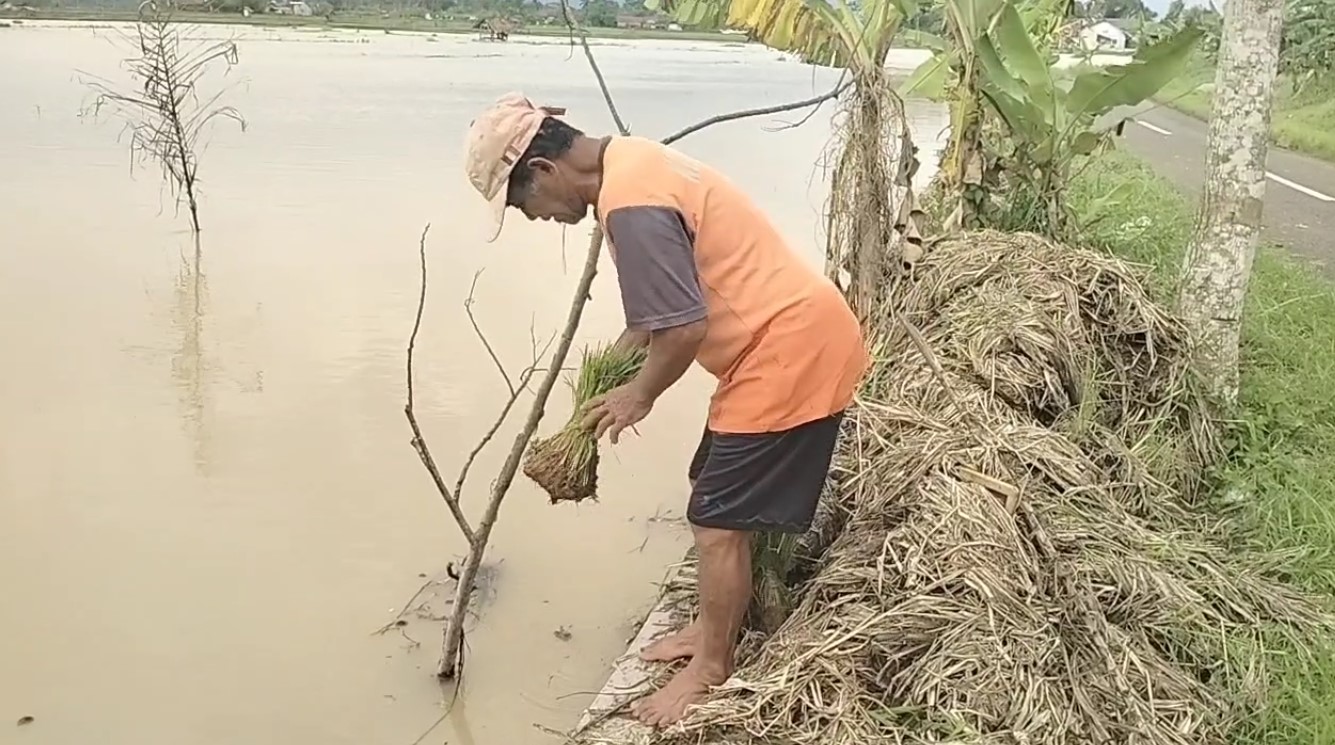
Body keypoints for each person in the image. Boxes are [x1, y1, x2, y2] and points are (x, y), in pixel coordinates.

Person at [463, 92, 868, 727]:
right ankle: (711, 628)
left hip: (787, 352)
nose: (532, 219)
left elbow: (680, 329)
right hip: (780, 343)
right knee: (708, 485)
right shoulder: (634, 163)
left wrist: (640, 394)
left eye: (521, 205)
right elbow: (653, 321)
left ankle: (711, 666)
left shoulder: (632, 205)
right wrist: (609, 376)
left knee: (714, 522)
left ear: (542, 172)